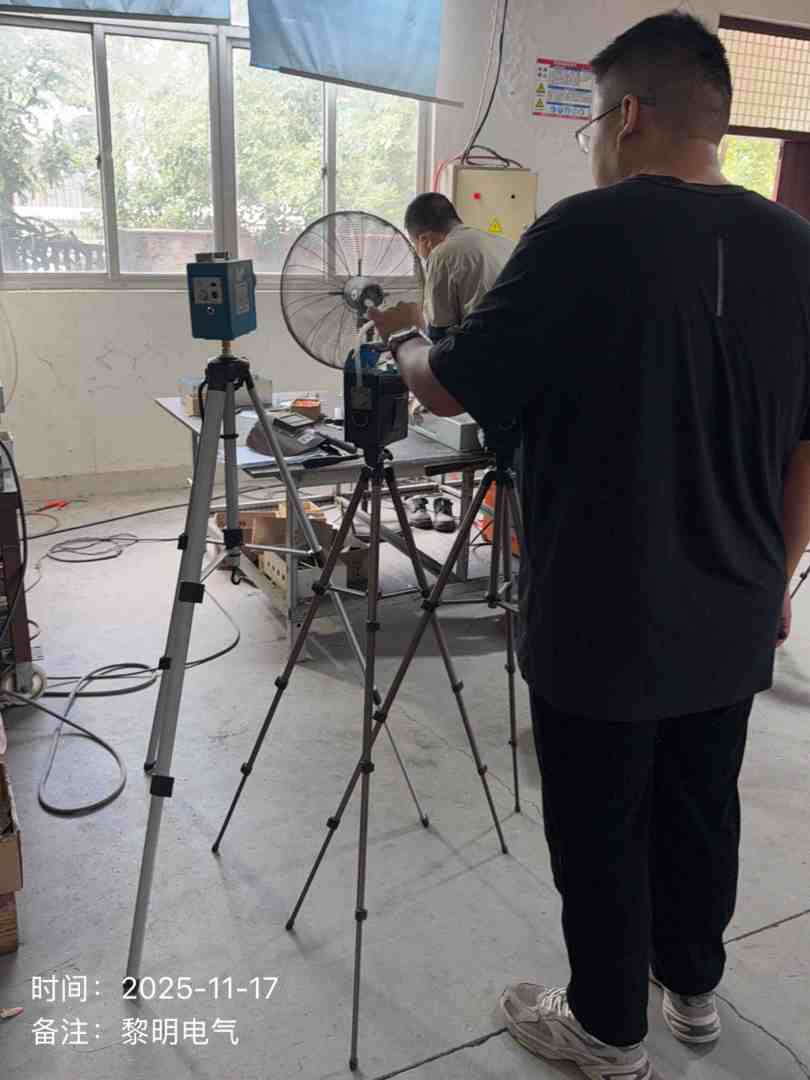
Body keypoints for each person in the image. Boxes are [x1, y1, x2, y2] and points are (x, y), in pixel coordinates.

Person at [369, 11, 810, 1080]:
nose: (592, 147)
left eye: (592, 125)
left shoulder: (583, 232)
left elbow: (453, 385)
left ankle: (609, 1032)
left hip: (603, 610)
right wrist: (782, 576)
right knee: (701, 805)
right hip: (740, 598)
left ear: (626, 114)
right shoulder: (800, 248)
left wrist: (412, 339)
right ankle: (690, 990)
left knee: (602, 824)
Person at [403, 192, 514, 343]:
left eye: (415, 245)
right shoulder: (506, 243)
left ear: (424, 240)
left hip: (488, 349)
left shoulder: (441, 254)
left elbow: (439, 334)